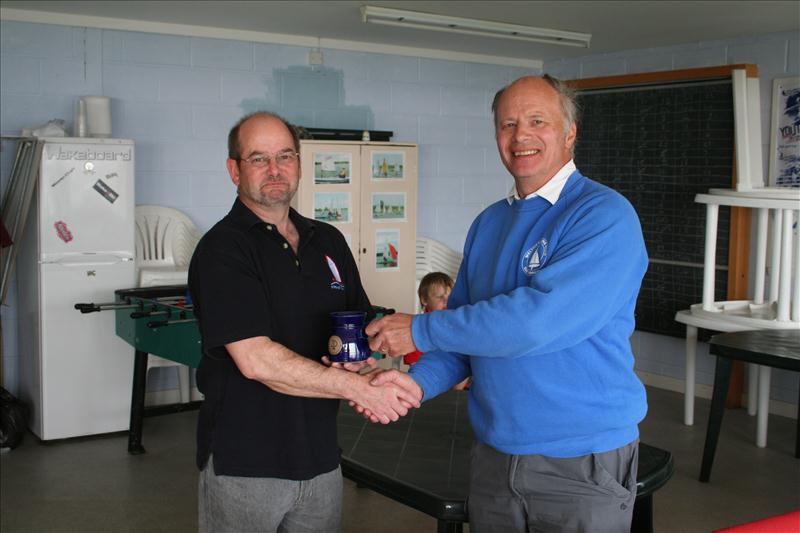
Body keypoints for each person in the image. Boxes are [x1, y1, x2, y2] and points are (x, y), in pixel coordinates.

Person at [364, 75, 649, 532]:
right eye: (508, 124)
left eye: (538, 121)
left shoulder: (603, 215)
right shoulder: (489, 223)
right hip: (495, 457)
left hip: (580, 462)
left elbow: (536, 323)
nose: (521, 136)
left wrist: (418, 329)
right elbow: (464, 339)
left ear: (570, 131)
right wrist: (412, 386)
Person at [188, 111, 421, 533]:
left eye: (286, 156)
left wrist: (390, 366)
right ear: (233, 170)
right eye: (258, 158)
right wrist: (360, 389)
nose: (275, 169)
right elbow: (257, 361)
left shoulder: (327, 240)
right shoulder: (223, 249)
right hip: (246, 464)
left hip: (321, 460)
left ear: (299, 163)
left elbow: (358, 335)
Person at [402, 271, 453, 366]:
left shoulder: (455, 323)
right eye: (440, 297)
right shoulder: (417, 329)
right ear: (424, 300)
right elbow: (415, 365)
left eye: (450, 297)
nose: (447, 301)